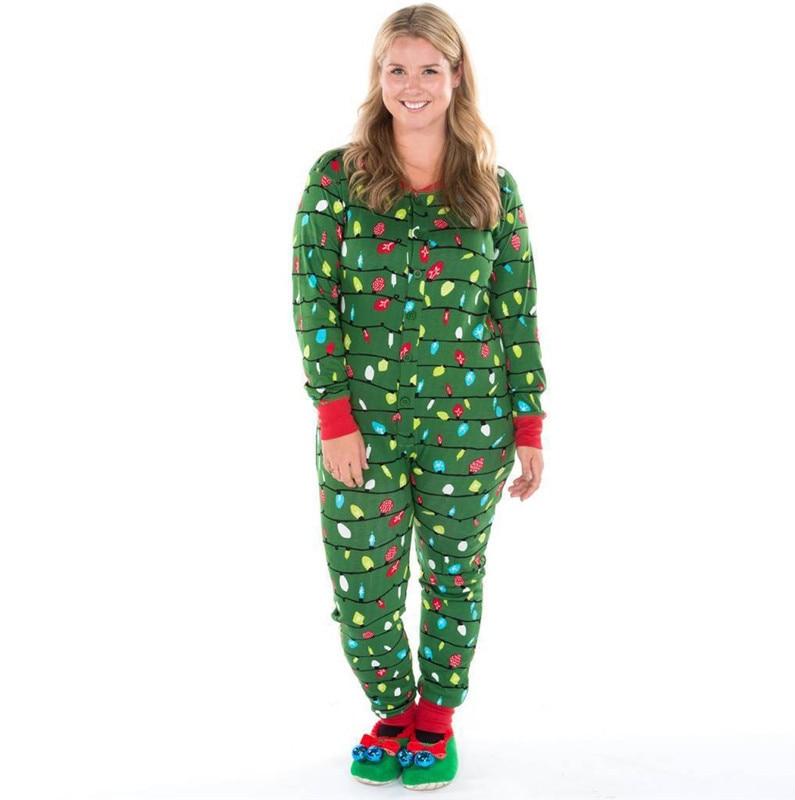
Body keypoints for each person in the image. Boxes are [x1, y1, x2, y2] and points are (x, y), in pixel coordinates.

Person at [290, 3, 547, 789]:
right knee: (363, 588)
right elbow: (313, 299)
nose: (412, 85)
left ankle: (434, 719)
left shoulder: (493, 188)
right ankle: (393, 709)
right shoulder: (336, 179)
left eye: (429, 69)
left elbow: (516, 310)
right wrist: (334, 414)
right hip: (361, 428)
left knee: (454, 577)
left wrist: (529, 426)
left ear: (456, 76)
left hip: (472, 427)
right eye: (396, 69)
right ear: (379, 76)